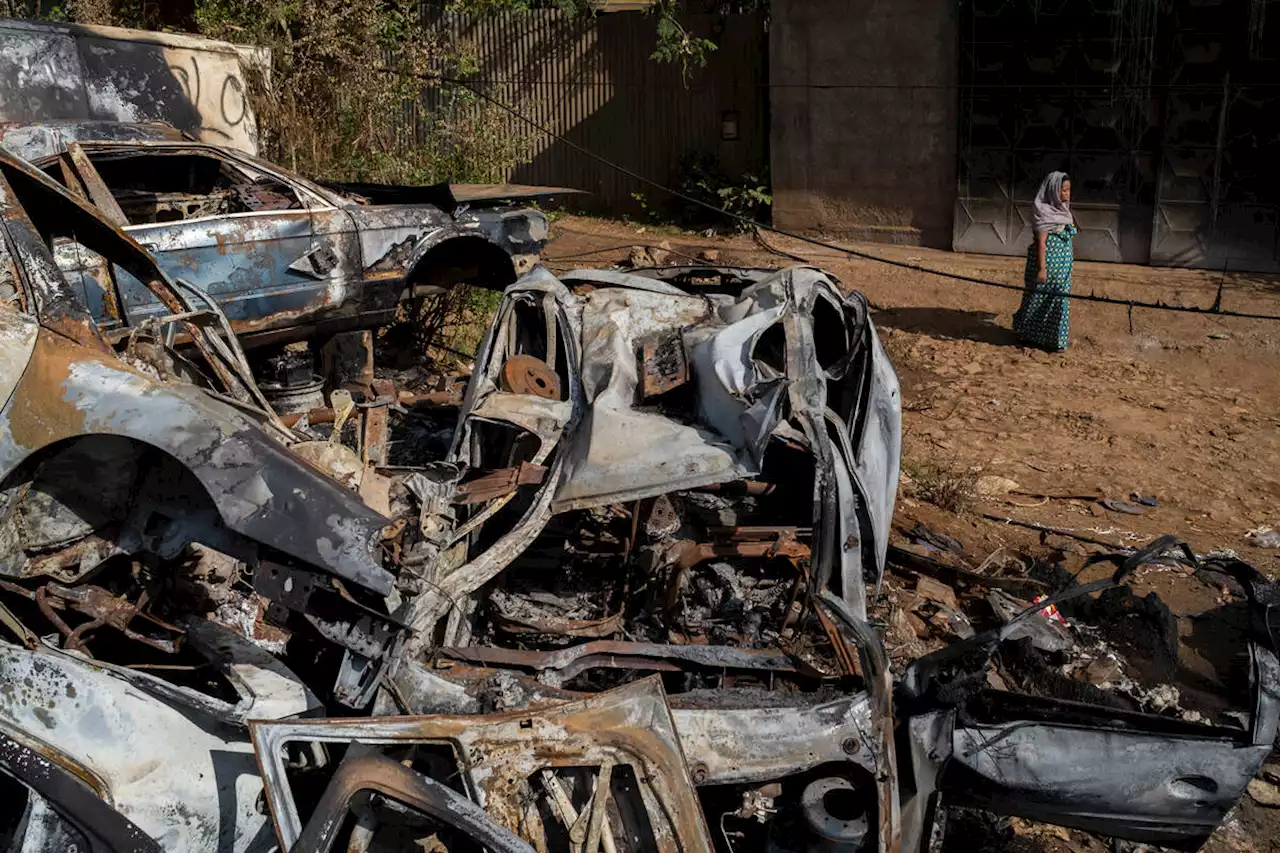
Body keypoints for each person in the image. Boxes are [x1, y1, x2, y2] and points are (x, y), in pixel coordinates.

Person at [1013, 171, 1077, 351]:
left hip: (1062, 268)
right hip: (1047, 265)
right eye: (1063, 191)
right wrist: (1042, 268)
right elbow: (1041, 243)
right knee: (1037, 297)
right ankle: (1028, 335)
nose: (1067, 194)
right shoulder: (1043, 211)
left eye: (1068, 190)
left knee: (1060, 301)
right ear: (1052, 191)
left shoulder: (1063, 211)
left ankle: (1055, 341)